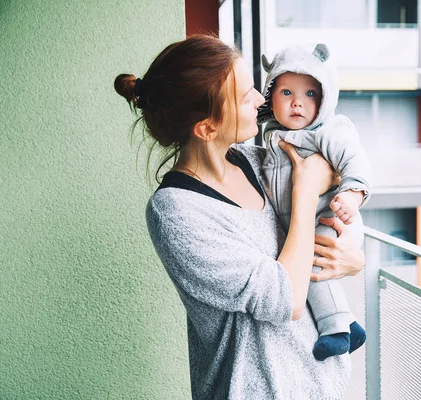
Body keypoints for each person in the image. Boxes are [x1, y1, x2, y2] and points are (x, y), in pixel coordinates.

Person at [113, 35, 365, 400]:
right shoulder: (177, 213)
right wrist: (306, 191)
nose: (262, 100)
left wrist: (352, 259)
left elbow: (332, 188)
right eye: (246, 95)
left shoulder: (257, 161)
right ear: (207, 128)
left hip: (323, 385)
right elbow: (287, 298)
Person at [258, 43, 371, 361]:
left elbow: (354, 158)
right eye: (286, 93)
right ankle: (351, 324)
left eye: (310, 94)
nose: (297, 102)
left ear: (325, 98)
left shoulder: (327, 131)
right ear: (270, 95)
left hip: (331, 218)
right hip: (308, 220)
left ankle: (335, 329)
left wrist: (352, 193)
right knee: (306, 261)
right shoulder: (274, 137)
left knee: (312, 265)